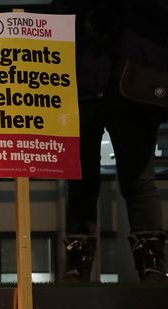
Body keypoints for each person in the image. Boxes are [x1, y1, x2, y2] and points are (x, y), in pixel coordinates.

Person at [54, 1, 168, 282]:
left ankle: (80, 266)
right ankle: (149, 264)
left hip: (112, 81)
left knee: (119, 179)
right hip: (114, 81)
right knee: (128, 179)